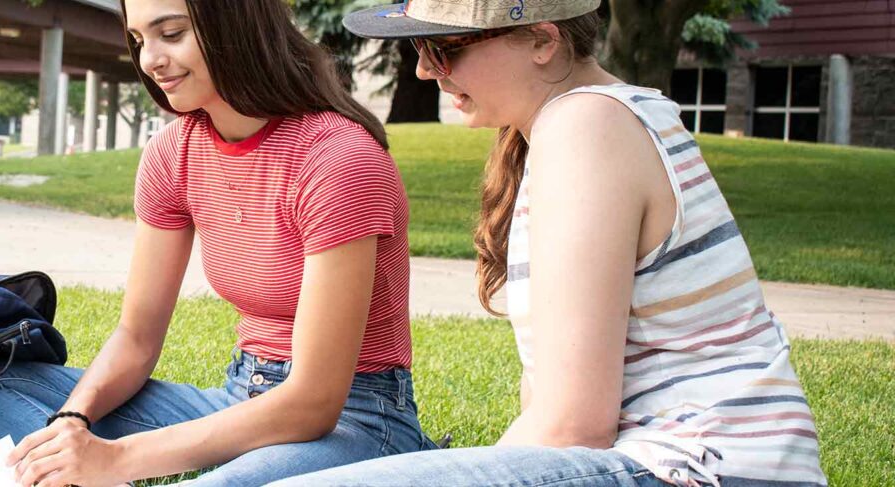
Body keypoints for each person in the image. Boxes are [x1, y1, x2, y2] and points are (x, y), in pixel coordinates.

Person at [275, 1, 828, 486]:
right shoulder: (593, 119)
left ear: (542, 39)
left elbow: (573, 425)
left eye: (442, 48)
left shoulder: (588, 126)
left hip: (702, 463)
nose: (423, 70)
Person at [0, 0, 440, 485]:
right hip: (239, 396)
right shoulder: (173, 153)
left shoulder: (338, 159)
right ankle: (69, 466)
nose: (150, 61)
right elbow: (137, 339)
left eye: (171, 33)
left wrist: (118, 458)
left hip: (354, 418)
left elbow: (313, 403)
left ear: (235, 26)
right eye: (140, 40)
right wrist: (72, 423)